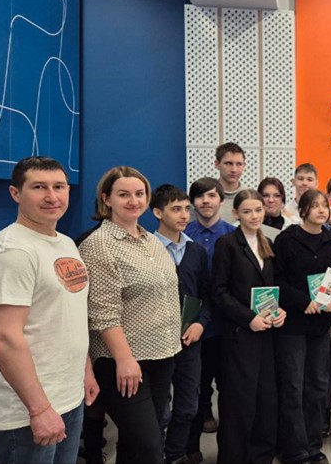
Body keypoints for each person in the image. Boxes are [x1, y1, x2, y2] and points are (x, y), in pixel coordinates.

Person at [0, 156, 99, 463]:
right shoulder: (11, 250)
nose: (51, 196)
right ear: (16, 193)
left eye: (59, 186)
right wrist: (39, 408)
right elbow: (5, 338)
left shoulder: (65, 243)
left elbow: (69, 316)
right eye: (39, 187)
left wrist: (85, 369)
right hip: (27, 412)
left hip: (67, 397)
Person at [79, 166, 181, 464]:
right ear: (106, 199)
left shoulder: (151, 241)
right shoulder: (98, 245)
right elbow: (102, 313)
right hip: (123, 362)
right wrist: (125, 360)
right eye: (124, 194)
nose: (134, 201)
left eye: (139, 194)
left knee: (135, 446)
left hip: (162, 355)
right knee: (150, 450)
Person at [212, 189, 287, 464]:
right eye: (247, 211)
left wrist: (279, 311)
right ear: (235, 213)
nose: (254, 216)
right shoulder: (227, 244)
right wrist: (248, 318)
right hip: (239, 334)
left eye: (258, 210)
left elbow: (273, 287)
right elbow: (219, 292)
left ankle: (262, 455)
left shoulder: (268, 242)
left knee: (266, 398)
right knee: (238, 401)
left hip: (266, 334)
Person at [272, 190, 331, 464]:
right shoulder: (287, 239)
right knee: (293, 386)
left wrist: (330, 300)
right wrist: (304, 302)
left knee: (317, 386)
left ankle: (313, 446)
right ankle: (294, 449)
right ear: (302, 211)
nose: (322, 210)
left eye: (325, 206)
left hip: (320, 323)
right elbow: (277, 280)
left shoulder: (330, 241)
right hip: (293, 323)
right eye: (315, 206)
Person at [150, 184, 212, 464]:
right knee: (158, 410)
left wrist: (201, 323)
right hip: (156, 342)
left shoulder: (196, 250)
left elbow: (206, 294)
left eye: (187, 209)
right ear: (157, 212)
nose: (184, 215)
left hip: (189, 339)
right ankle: (155, 455)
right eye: (176, 209)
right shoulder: (147, 249)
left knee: (188, 406)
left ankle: (176, 455)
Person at [184, 177, 236, 460]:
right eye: (200, 196)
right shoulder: (184, 233)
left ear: (221, 200)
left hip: (226, 326)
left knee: (229, 391)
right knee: (194, 392)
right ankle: (191, 449)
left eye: (212, 195)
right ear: (193, 202)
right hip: (192, 327)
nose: (206, 201)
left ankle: (228, 451)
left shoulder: (233, 235)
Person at [212, 142, 247, 223]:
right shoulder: (204, 197)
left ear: (244, 166)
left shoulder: (250, 197)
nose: (234, 170)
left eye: (239, 164)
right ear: (217, 164)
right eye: (228, 164)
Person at [258, 177, 299, 241]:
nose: (271, 200)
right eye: (266, 195)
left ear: (282, 198)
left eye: (276, 196)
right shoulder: (250, 225)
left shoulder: (292, 226)